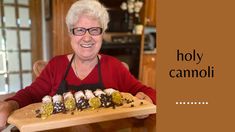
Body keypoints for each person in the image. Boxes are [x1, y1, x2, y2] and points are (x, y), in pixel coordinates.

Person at [0, 0, 157, 130]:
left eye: (94, 30)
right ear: (70, 33)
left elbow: (148, 92)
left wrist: (146, 99)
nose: (87, 38)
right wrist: (11, 104)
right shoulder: (56, 65)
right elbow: (31, 94)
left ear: (102, 34)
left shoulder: (114, 66)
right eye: (80, 30)